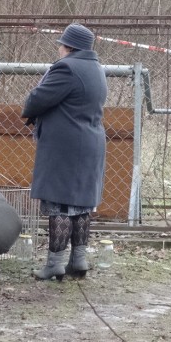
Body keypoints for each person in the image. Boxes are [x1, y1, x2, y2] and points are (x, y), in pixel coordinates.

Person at [22, 24, 108, 281]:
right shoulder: (97, 70)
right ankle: (78, 260)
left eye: (61, 44)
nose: (59, 48)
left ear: (68, 46)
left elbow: (36, 100)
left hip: (66, 147)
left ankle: (54, 263)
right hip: (91, 142)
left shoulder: (66, 68)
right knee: (81, 205)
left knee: (58, 204)